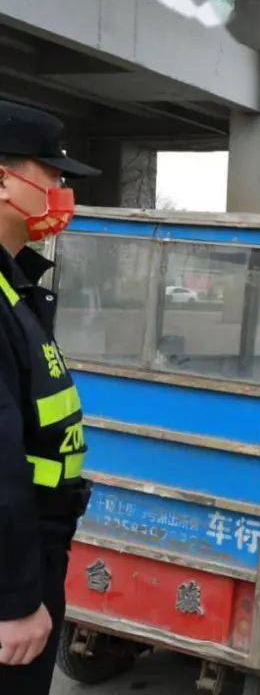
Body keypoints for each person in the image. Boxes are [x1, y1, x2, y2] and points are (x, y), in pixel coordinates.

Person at [0, 101, 98, 693]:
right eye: (53, 175)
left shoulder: (14, 285)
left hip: (36, 549)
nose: (62, 191)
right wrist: (14, 599)